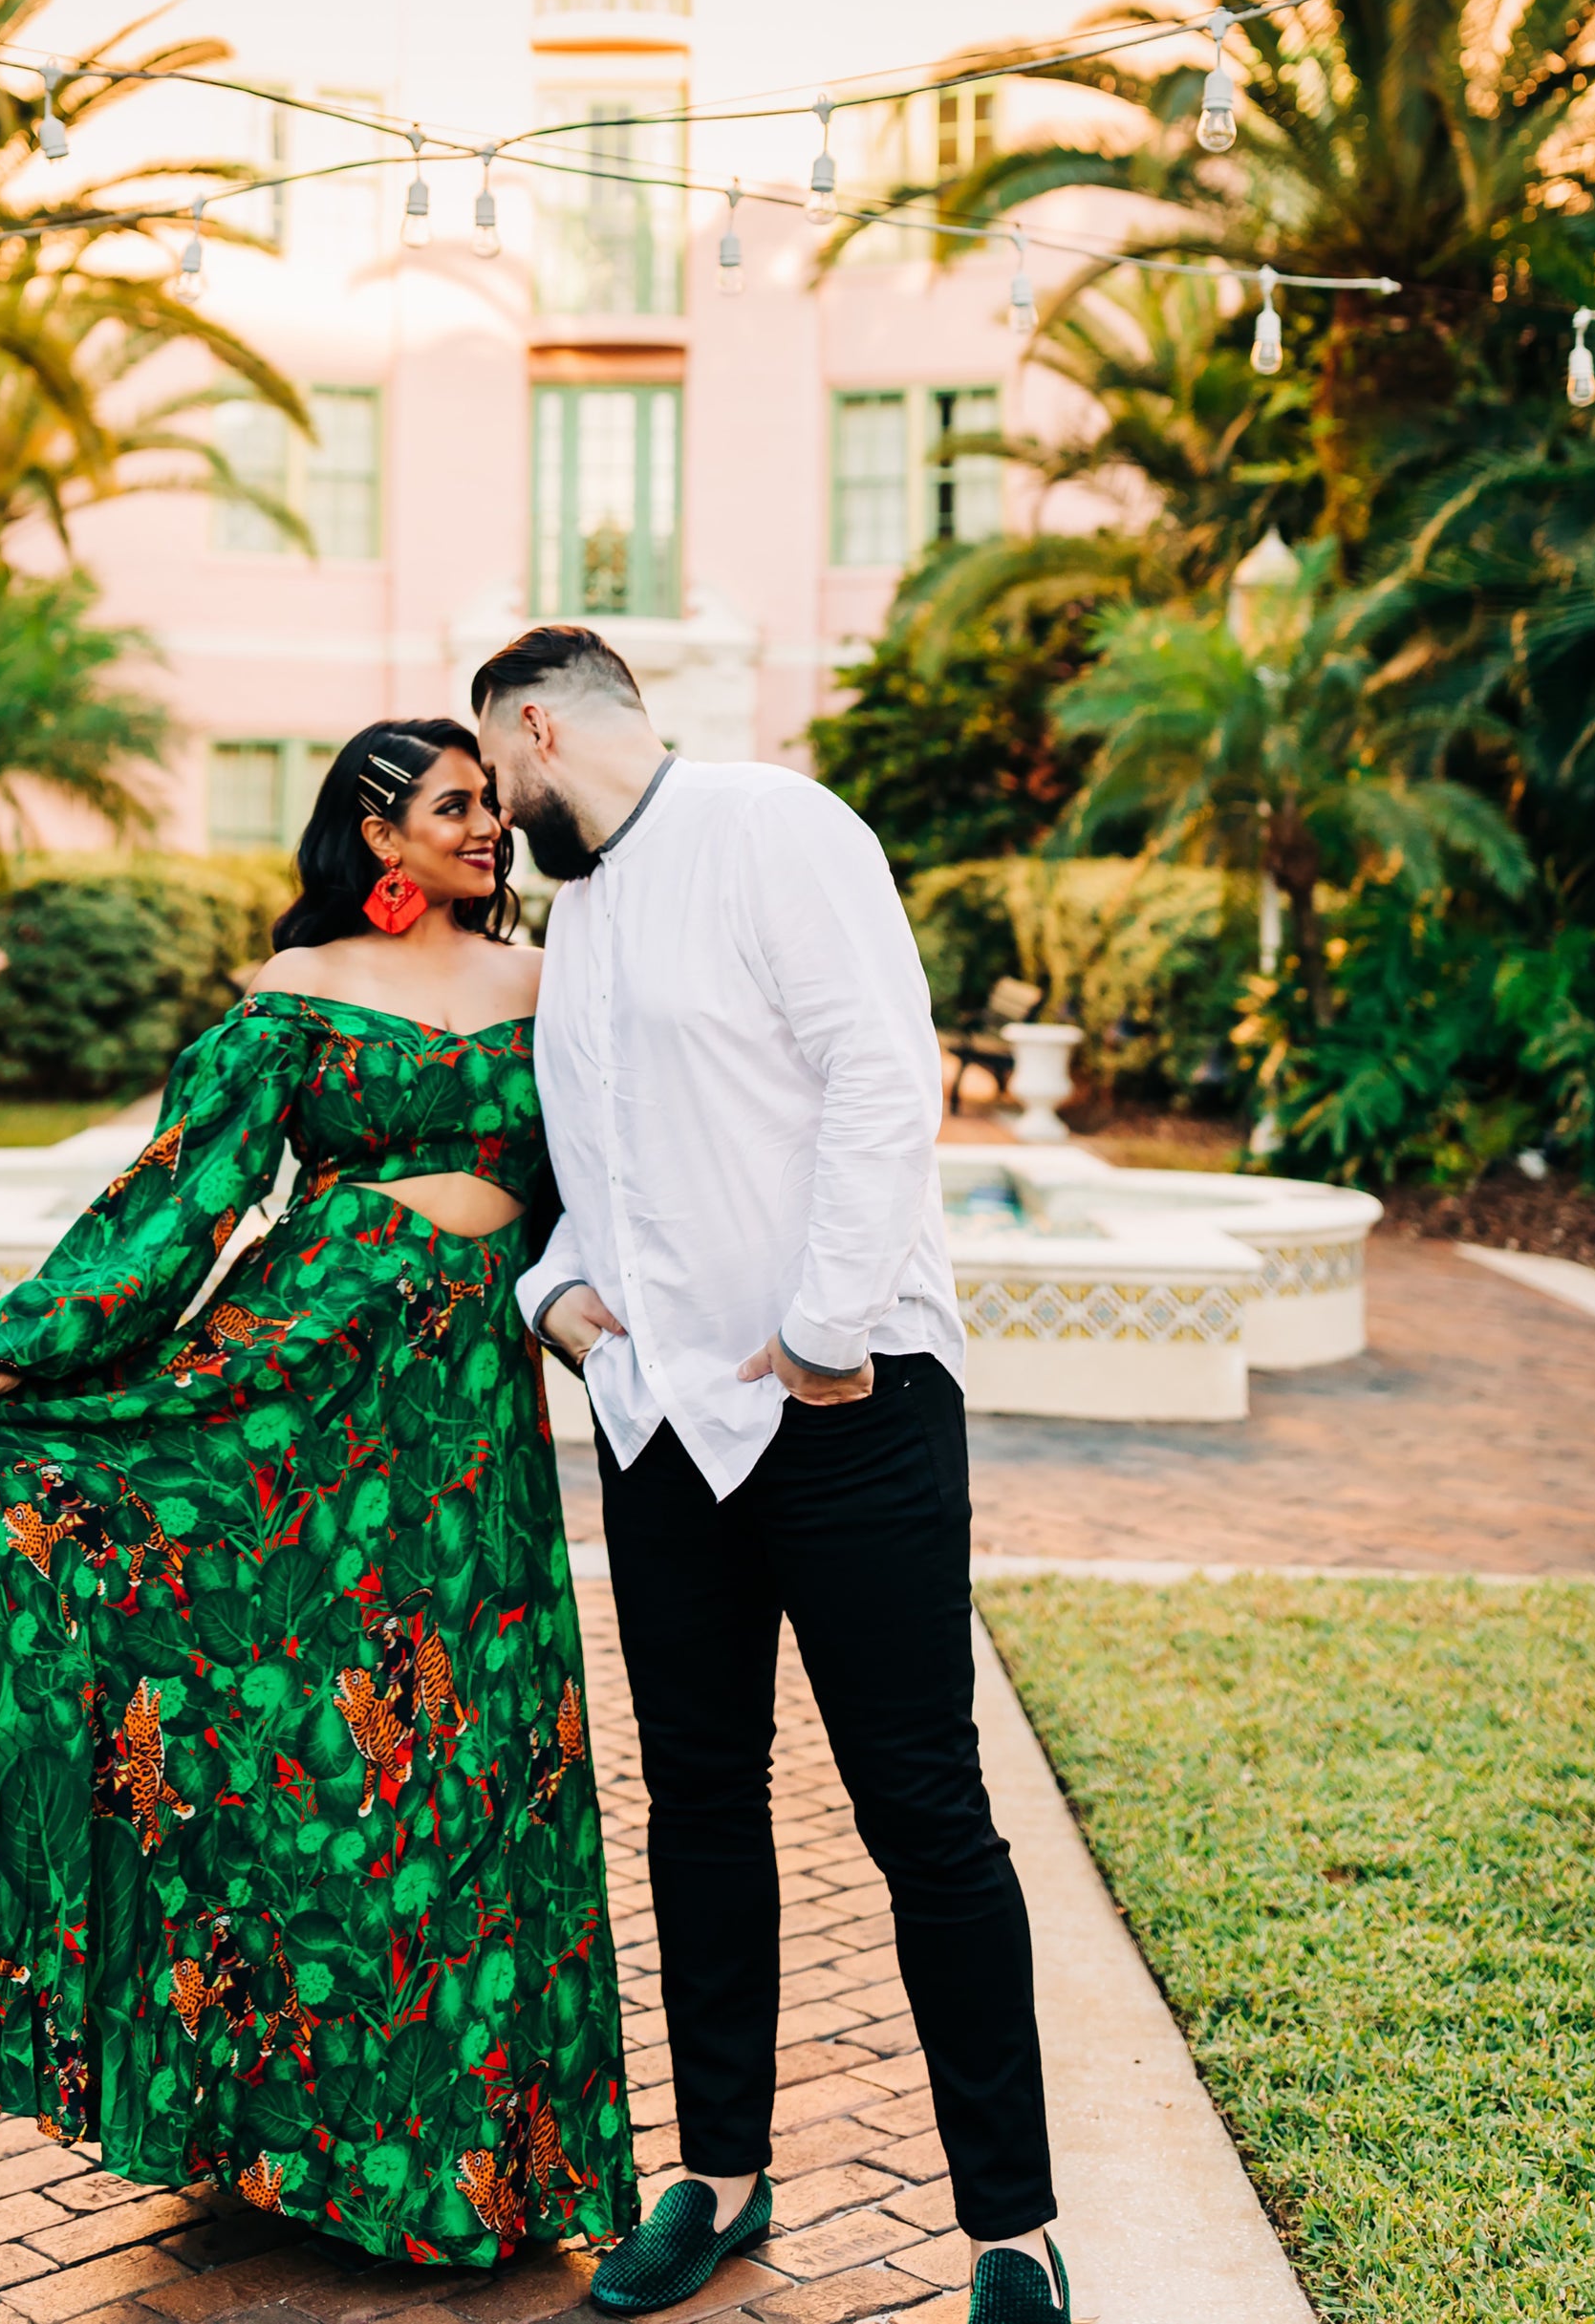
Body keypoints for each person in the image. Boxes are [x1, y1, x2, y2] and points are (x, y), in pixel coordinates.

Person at [0, 719, 636, 2269]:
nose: (492, 828)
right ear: (378, 830)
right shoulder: (293, 995)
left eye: (492, 804)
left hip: (465, 1423)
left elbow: (614, 1172)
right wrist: (20, 1351)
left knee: (471, 1761)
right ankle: (283, 2144)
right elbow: (176, 1204)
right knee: (294, 1756)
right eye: (458, 806)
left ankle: (466, 2163)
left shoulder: (562, 987)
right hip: (292, 1399)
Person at [471, 626, 1069, 2324]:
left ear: (532, 725)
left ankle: (1011, 2230)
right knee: (701, 1809)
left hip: (854, 1409)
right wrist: (561, 1306)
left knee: (925, 1815)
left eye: (495, 778)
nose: (498, 816)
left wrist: (817, 1333)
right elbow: (586, 1172)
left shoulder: (779, 827)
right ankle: (719, 2176)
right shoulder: (574, 923)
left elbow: (888, 1072)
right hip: (663, 1434)